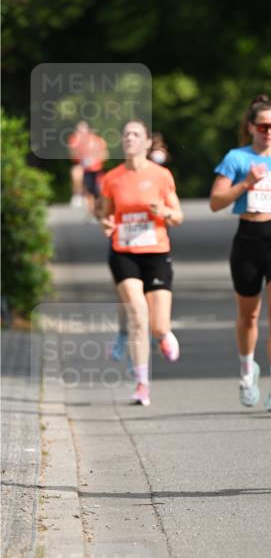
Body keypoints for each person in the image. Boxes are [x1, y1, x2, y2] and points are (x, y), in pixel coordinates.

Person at [209, 95, 271, 413]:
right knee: (249, 315)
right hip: (247, 239)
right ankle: (247, 370)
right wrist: (246, 184)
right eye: (262, 126)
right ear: (251, 127)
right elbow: (215, 201)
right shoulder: (236, 158)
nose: (268, 132)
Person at [99, 120, 183, 407]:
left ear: (148, 142)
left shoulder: (161, 176)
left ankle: (163, 335)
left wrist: (165, 211)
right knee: (137, 314)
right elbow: (106, 215)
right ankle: (141, 383)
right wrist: (107, 223)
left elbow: (179, 215)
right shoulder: (112, 178)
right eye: (126, 135)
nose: (130, 139)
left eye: (136, 135)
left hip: (156, 252)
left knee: (158, 326)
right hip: (124, 252)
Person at [67, 120, 108, 217]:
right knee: (87, 189)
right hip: (85, 169)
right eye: (78, 129)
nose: (81, 131)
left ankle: (99, 212)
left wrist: (95, 159)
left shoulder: (97, 140)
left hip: (96, 169)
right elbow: (72, 155)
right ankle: (78, 197)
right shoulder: (75, 140)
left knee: (98, 192)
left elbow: (105, 154)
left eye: (83, 129)